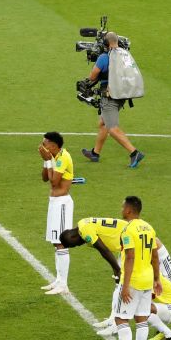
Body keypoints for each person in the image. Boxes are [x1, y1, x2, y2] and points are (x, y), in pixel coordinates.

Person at [109, 196, 161, 340]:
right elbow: (155, 256)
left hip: (134, 280)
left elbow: (130, 257)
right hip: (147, 280)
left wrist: (125, 286)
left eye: (123, 206)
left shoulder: (128, 230)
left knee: (120, 318)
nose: (121, 209)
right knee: (141, 318)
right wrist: (157, 279)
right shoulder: (149, 228)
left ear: (129, 210)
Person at [80, 33, 145, 168]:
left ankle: (134, 153)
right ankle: (95, 153)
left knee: (112, 128)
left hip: (109, 96)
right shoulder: (124, 54)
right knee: (103, 123)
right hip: (122, 95)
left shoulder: (104, 57)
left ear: (105, 43)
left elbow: (92, 76)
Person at [37, 132, 74, 295]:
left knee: (61, 243)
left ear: (54, 145)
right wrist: (46, 162)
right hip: (54, 203)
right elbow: (45, 178)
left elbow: (55, 182)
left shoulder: (63, 157)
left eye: (45, 143)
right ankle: (59, 280)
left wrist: (47, 160)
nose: (42, 145)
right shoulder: (54, 157)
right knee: (55, 242)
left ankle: (64, 284)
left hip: (62, 204)